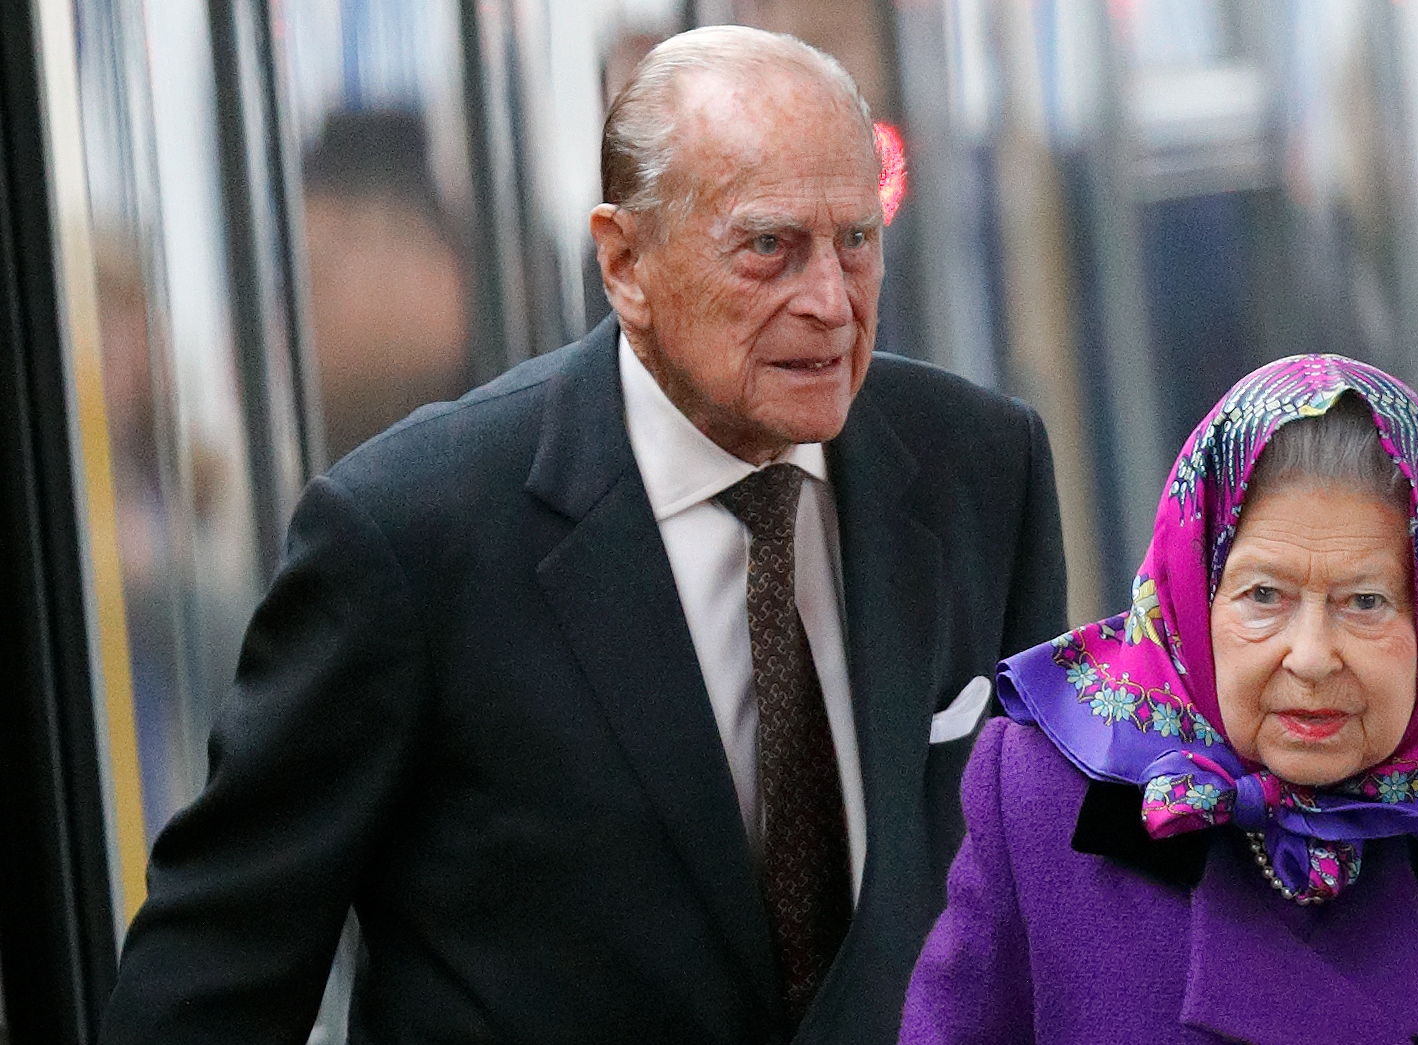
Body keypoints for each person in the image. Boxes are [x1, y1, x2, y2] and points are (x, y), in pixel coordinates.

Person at [100, 26, 1067, 1045]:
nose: (830, 301)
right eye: (770, 247)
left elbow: (1044, 900)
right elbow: (209, 982)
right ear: (624, 263)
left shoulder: (982, 467)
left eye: (856, 240)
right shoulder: (412, 534)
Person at [900, 355, 1418, 1043]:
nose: (1309, 656)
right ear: (1191, 600)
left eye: (1364, 602)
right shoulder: (1044, 801)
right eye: (1262, 595)